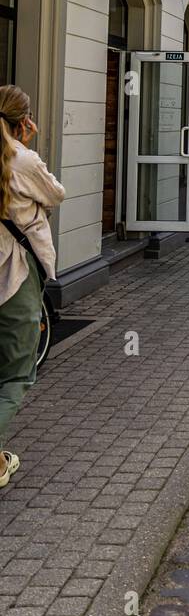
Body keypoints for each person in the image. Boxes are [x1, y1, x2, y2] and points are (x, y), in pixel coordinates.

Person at [0, 86, 65, 488]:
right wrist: (25, 143)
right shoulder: (22, 159)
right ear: (24, 121)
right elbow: (56, 193)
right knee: (18, 374)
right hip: (14, 275)